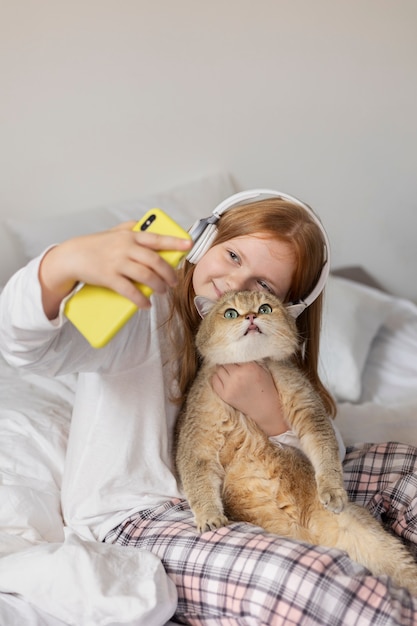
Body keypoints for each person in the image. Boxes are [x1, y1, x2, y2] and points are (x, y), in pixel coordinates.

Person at [0, 190, 416, 624]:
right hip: (147, 515)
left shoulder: (264, 336)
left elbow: (316, 440)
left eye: (264, 285)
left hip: (266, 486)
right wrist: (61, 264)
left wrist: (271, 413)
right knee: (313, 582)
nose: (236, 287)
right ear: (202, 241)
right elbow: (25, 348)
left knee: (405, 468)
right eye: (233, 255)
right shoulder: (143, 310)